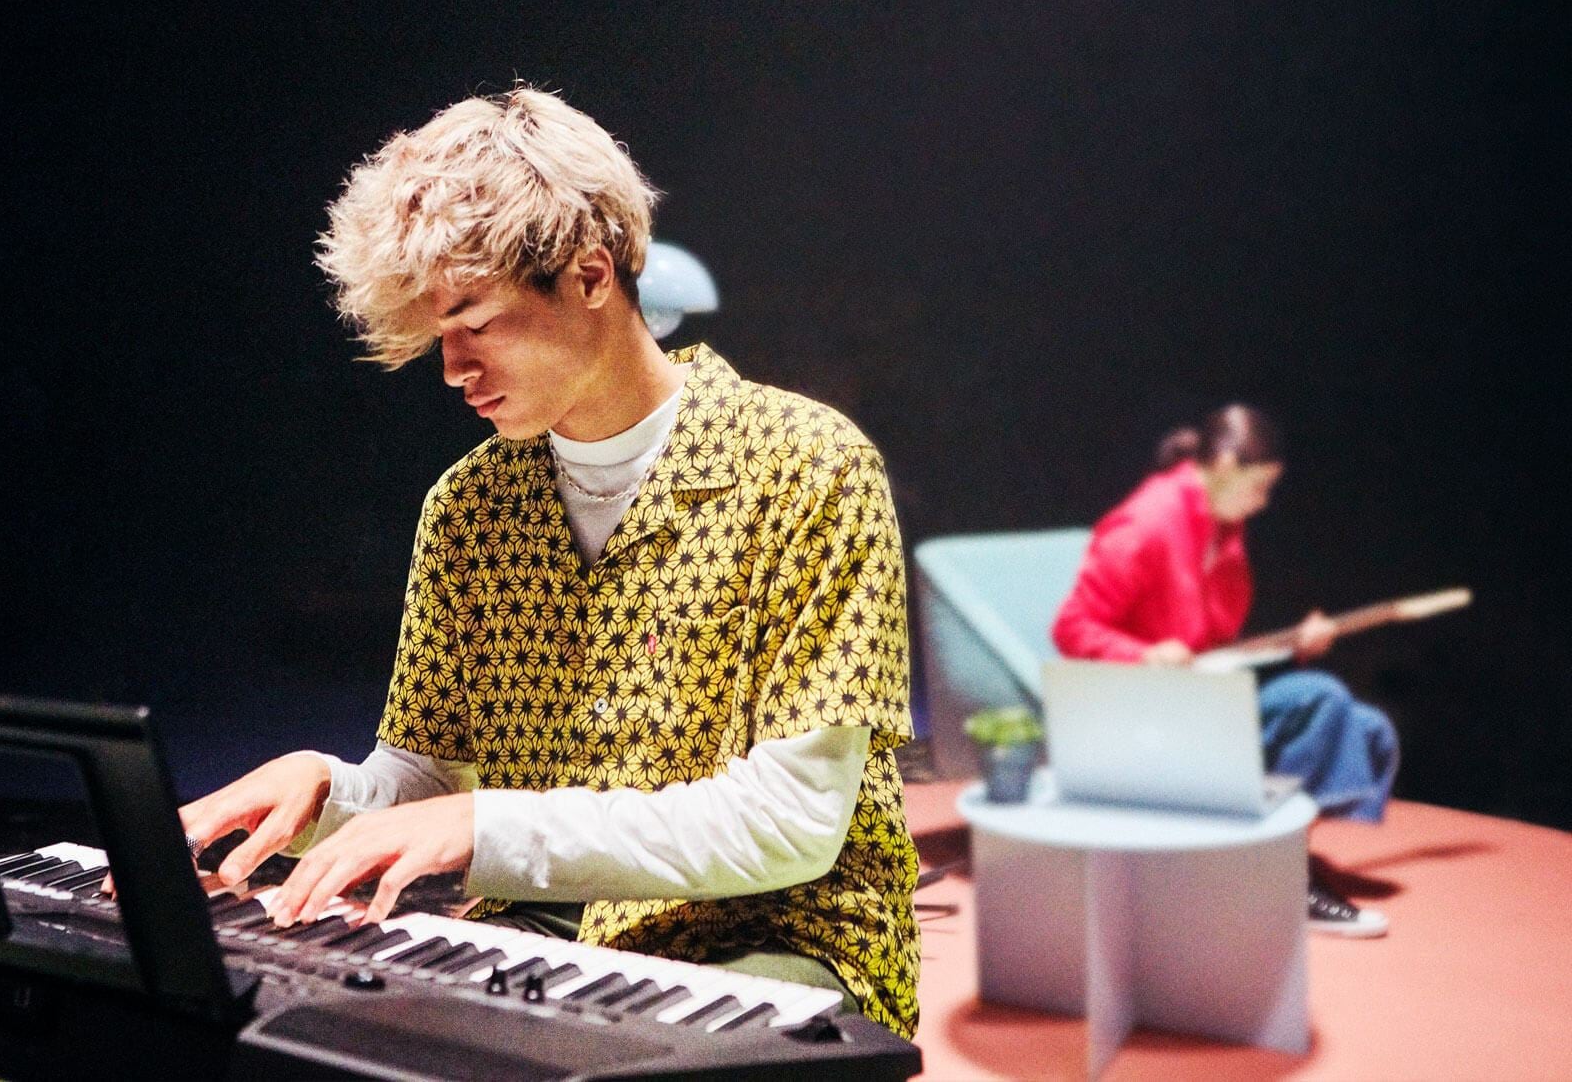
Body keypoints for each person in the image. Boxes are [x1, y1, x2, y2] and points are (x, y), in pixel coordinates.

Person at [175, 88, 920, 1035]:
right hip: (544, 931)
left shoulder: (809, 470)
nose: (453, 369)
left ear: (591, 276)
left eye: (475, 322)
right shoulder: (468, 510)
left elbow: (792, 824)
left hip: (776, 935)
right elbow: (431, 783)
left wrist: (489, 828)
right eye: (438, 337)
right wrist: (329, 792)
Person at [1051, 405, 1398, 937]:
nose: (1262, 502)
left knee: (1365, 725)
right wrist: (1143, 655)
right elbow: (1072, 627)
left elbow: (1217, 646)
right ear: (1227, 465)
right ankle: (1277, 874)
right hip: (1143, 709)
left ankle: (1272, 858)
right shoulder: (1148, 522)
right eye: (1259, 486)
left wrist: (1295, 645)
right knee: (1322, 699)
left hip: (1199, 698)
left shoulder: (1222, 528)